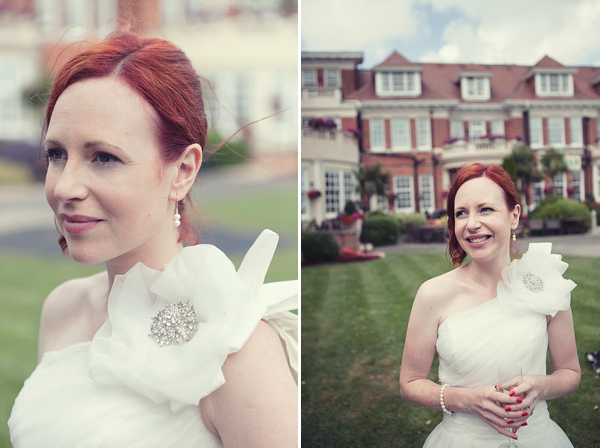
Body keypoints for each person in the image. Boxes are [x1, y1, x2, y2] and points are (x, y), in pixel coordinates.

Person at [8, 30, 298, 447]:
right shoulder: (63, 308)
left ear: (182, 171)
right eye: (56, 154)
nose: (64, 187)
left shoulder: (238, 348)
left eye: (103, 157)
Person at [399, 163, 580, 447]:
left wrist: (539, 385)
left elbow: (570, 373)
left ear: (514, 216)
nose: (471, 223)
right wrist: (467, 400)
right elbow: (410, 383)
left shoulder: (545, 283)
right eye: (461, 213)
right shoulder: (432, 294)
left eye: (485, 209)